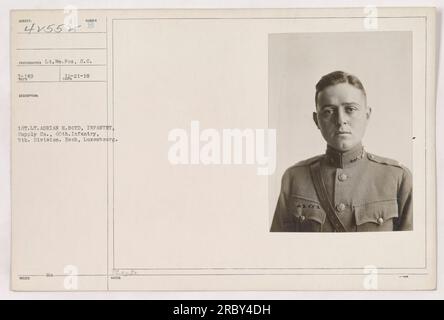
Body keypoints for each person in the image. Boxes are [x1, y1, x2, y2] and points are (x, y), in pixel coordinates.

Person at [270, 71, 412, 232]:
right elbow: (280, 251)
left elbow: (410, 252)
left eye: (350, 109)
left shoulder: (397, 178)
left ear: (367, 115)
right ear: (317, 120)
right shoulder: (294, 178)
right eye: (329, 111)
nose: (340, 120)